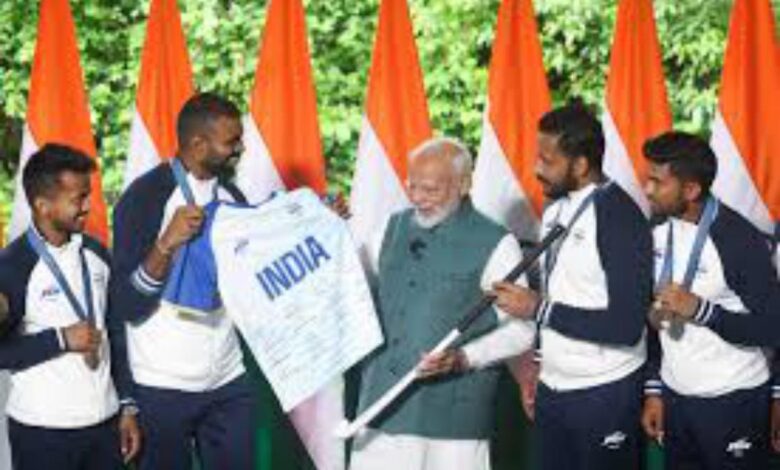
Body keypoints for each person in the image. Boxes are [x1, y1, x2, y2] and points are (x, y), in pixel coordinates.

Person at [348, 137, 535, 470]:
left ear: (463, 185)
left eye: (430, 190)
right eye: (412, 186)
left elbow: (522, 331)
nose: (417, 198)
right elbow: (348, 284)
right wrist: (327, 227)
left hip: (452, 426)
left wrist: (465, 358)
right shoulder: (390, 228)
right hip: (378, 409)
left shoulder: (496, 242)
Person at [492, 103, 653, 469]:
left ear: (580, 165)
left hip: (604, 391)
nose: (536, 169)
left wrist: (537, 308)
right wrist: (538, 364)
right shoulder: (555, 209)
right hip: (553, 387)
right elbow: (563, 294)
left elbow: (626, 327)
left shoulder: (620, 218)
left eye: (547, 161)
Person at [110, 92, 256, 470]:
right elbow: (126, 305)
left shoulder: (232, 195)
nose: (240, 149)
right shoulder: (142, 198)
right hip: (162, 384)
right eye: (231, 141)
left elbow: (253, 272)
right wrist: (165, 244)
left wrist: (318, 219)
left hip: (228, 379)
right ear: (198, 144)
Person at [640, 131, 780, 469]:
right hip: (676, 396)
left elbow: (772, 327)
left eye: (658, 182)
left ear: (690, 190)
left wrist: (702, 310)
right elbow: (656, 316)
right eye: (648, 179)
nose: (647, 189)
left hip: (734, 399)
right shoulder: (656, 228)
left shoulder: (739, 239)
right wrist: (655, 388)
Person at [0, 143, 140, 469]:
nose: (88, 206)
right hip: (41, 431)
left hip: (105, 425)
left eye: (88, 195)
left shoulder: (97, 253)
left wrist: (127, 406)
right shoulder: (12, 266)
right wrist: (61, 339)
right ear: (43, 205)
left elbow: (115, 332)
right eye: (78, 198)